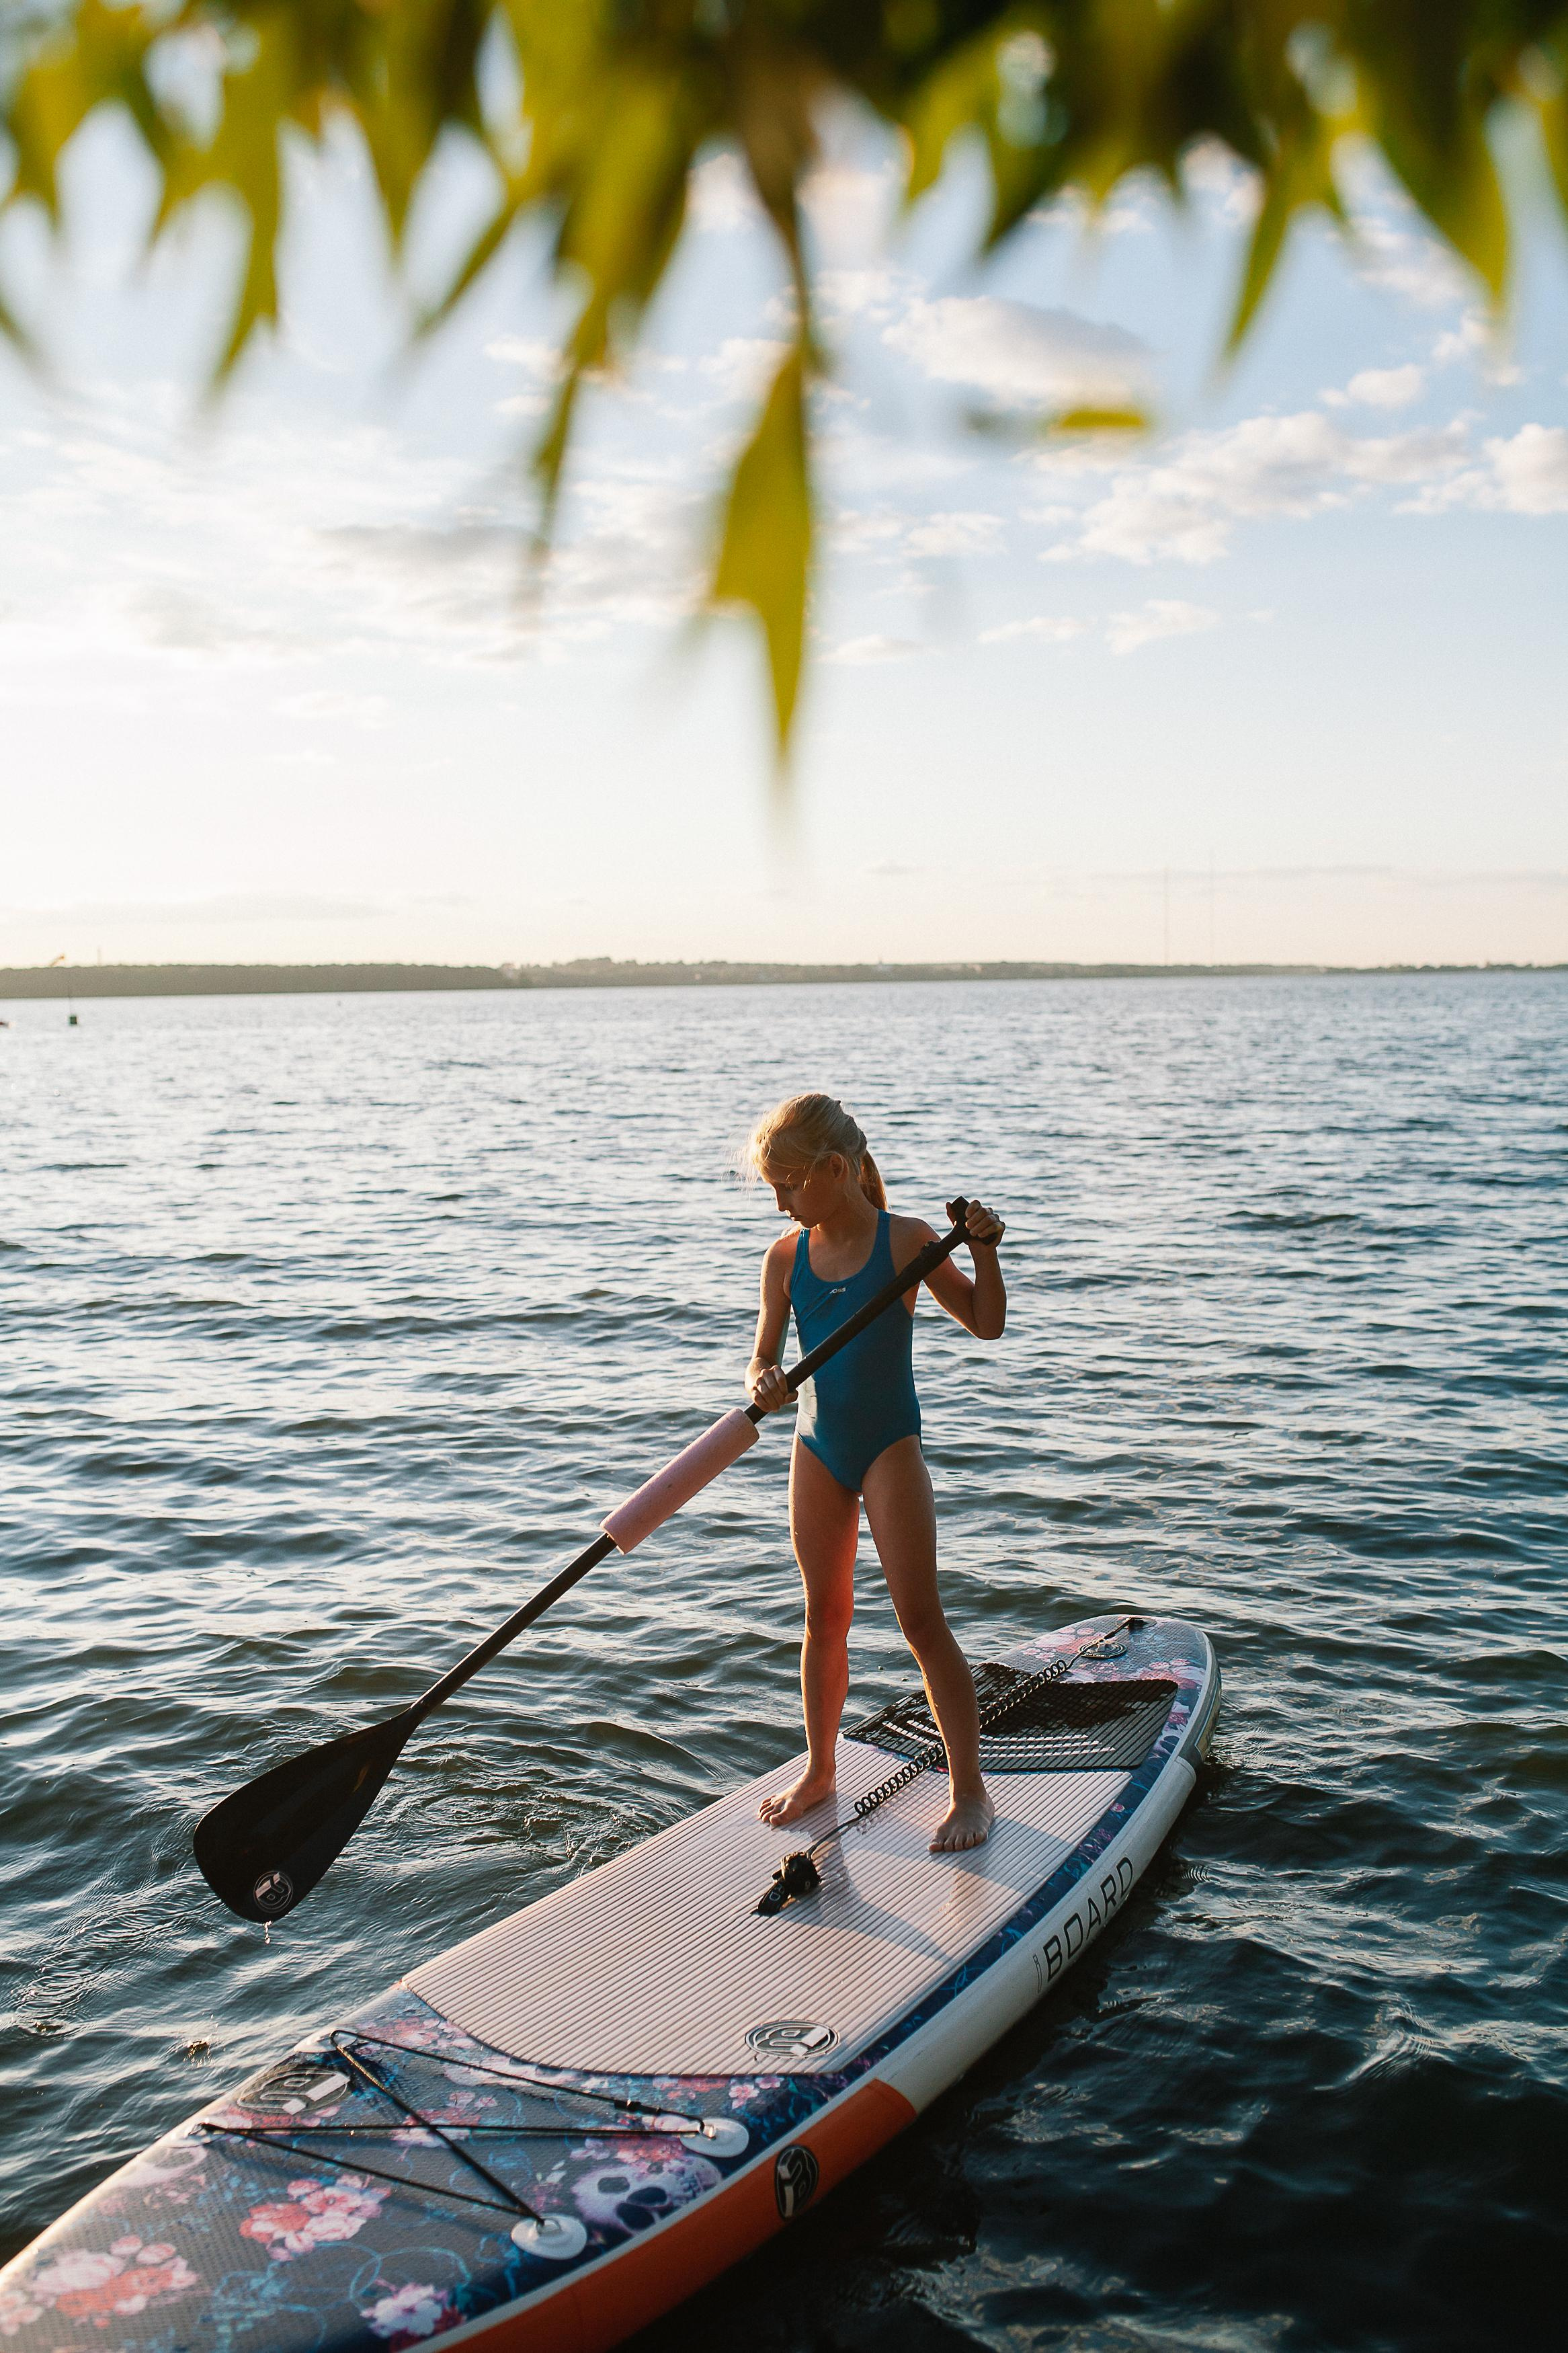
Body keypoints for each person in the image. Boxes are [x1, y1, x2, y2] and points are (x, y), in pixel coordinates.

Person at [744, 1092, 1006, 1854]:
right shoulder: (785, 1258)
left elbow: (985, 1323)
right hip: (816, 1448)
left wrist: (983, 1248)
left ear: (834, 1169)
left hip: (890, 1446)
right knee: (823, 1616)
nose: (781, 1202)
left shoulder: (908, 1242)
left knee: (920, 1618)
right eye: (773, 1189)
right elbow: (762, 1355)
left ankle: (969, 1790)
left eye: (789, 1185)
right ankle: (821, 1769)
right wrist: (762, 1380)